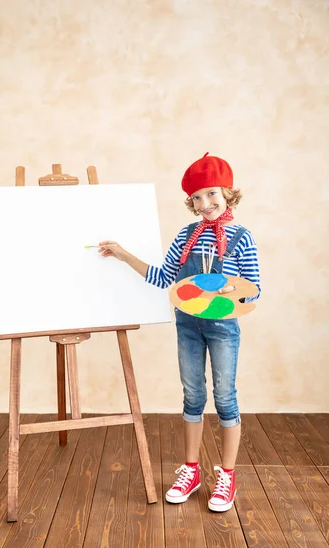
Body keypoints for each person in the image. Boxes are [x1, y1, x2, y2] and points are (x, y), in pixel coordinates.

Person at [98, 152, 261, 512]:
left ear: (228, 194)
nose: (206, 203)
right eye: (198, 197)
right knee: (192, 395)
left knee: (225, 397)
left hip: (222, 329)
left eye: (212, 194)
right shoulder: (186, 236)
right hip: (187, 326)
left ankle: (227, 475)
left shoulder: (240, 238)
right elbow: (163, 278)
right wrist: (125, 255)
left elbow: (254, 289)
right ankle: (191, 470)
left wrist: (229, 291)